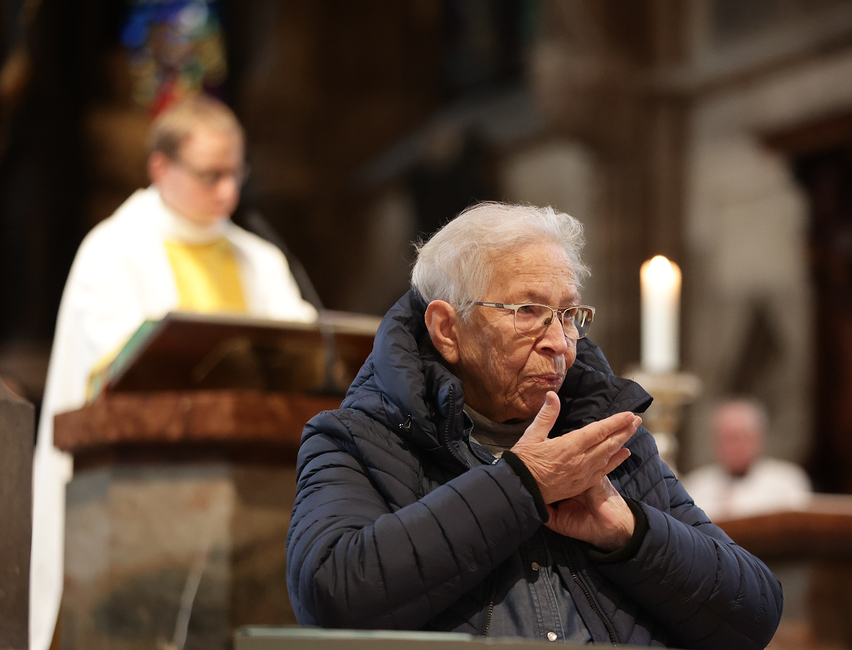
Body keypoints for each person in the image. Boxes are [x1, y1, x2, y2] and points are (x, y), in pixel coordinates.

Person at [286, 203, 782, 648]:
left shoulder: (606, 437)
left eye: (568, 314)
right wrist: (521, 486)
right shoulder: (357, 438)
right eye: (528, 311)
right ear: (447, 330)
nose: (560, 343)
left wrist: (631, 533)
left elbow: (755, 614)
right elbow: (329, 594)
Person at [31, 95, 316, 650]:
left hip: (256, 497)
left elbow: (304, 355)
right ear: (160, 167)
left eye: (236, 173)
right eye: (211, 175)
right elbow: (110, 370)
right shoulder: (113, 251)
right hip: (139, 495)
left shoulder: (260, 258)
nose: (228, 192)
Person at [683, 398, 811, 521]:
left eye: (739, 437)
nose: (733, 447)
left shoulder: (786, 482)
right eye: (726, 438)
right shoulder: (695, 487)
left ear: (758, 439)